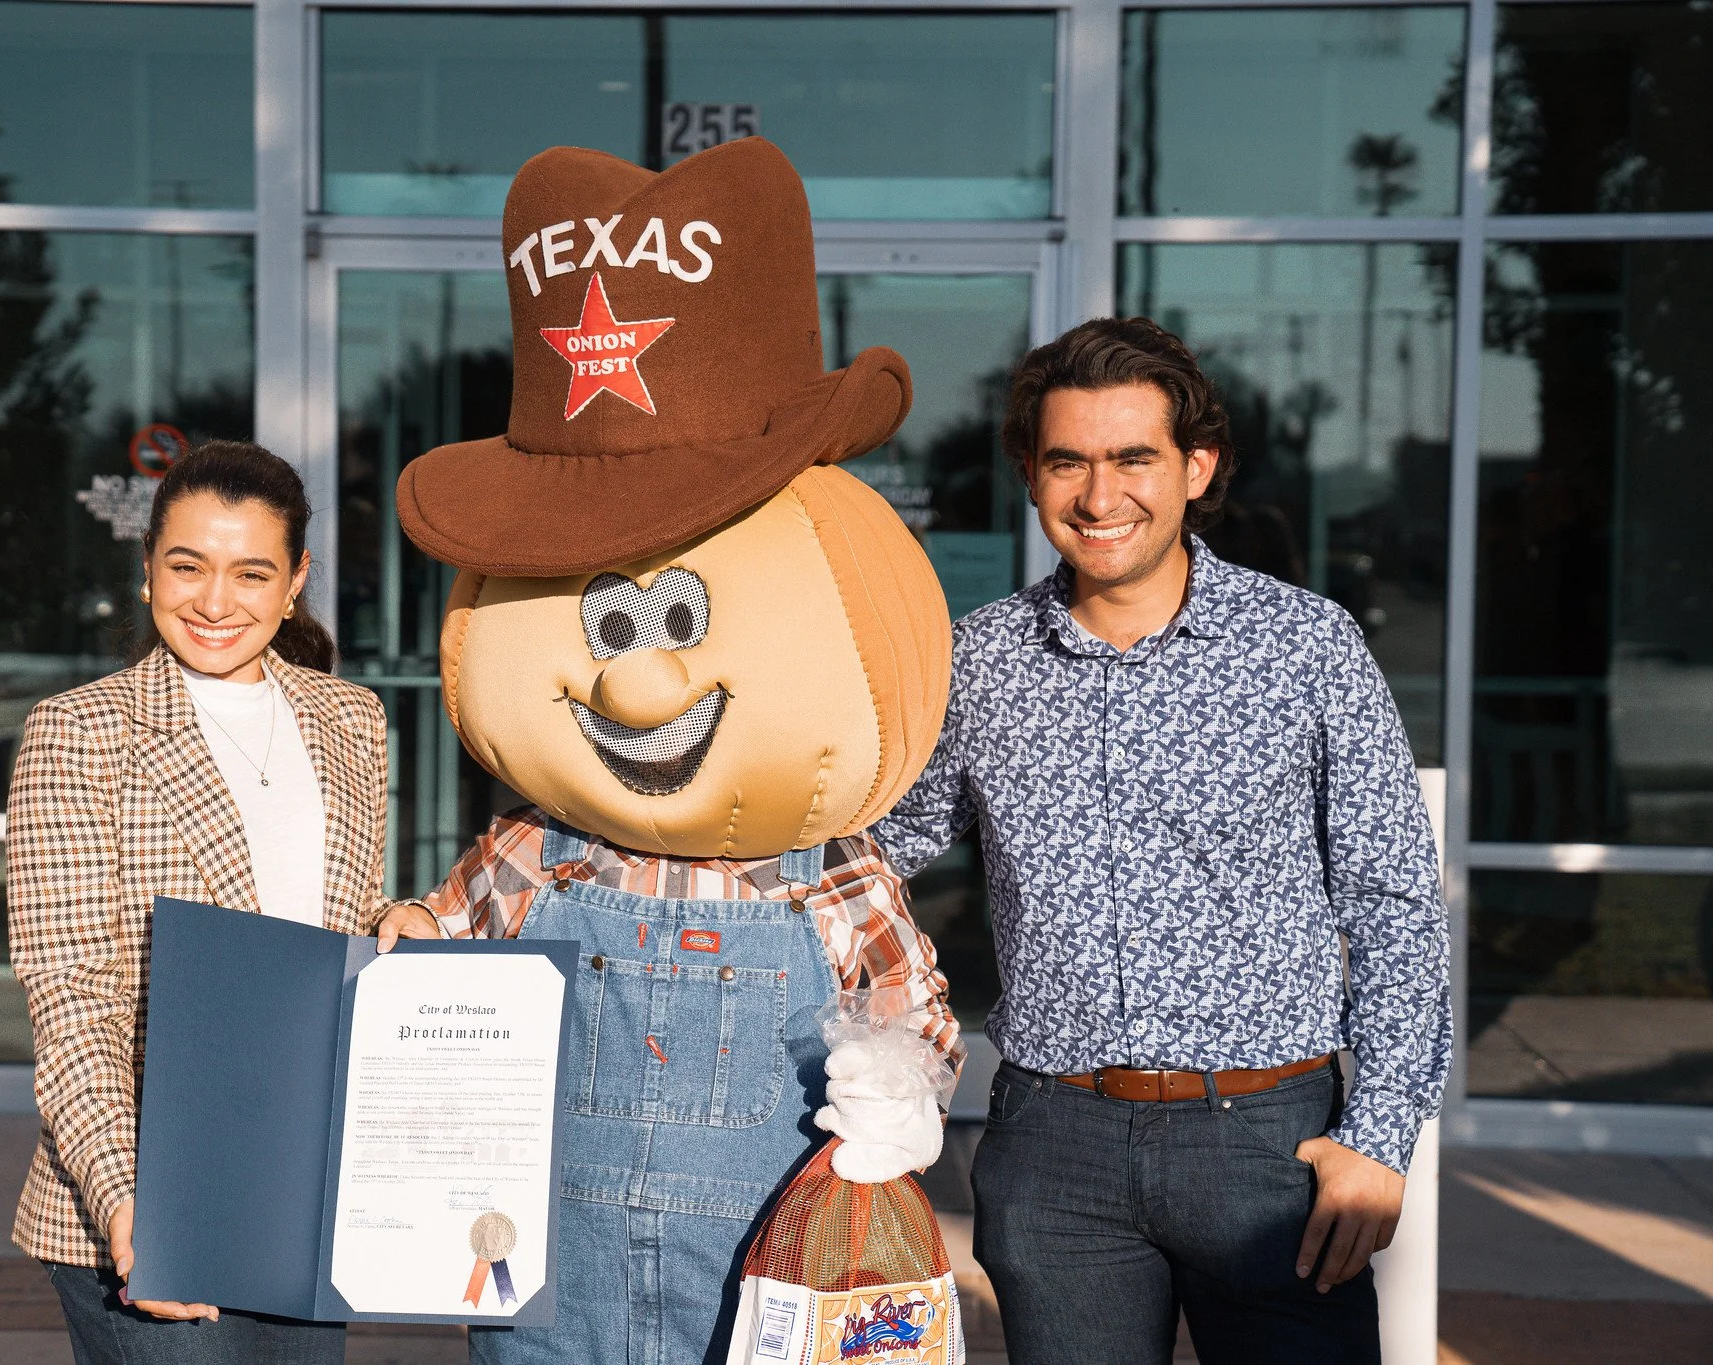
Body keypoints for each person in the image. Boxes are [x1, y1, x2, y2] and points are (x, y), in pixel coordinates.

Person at [374, 137, 963, 1364]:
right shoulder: (537, 850)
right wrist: (409, 940)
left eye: (674, 618)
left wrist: (904, 1090)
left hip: (757, 1277)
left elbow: (917, 1014)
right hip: (548, 1273)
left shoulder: (834, 874)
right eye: (608, 623)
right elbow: (439, 936)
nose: (635, 680)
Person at [872, 317, 1452, 1364]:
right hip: (1054, 1152)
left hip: (1268, 1148)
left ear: (1196, 466)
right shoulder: (977, 660)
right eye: (1068, 463)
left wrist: (1378, 1137)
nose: (1099, 499)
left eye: (1132, 458)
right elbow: (882, 847)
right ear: (1030, 473)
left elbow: (1392, 901)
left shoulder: (1305, 645)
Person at [6, 440, 396, 1365]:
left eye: (251, 572)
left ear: (295, 580)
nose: (215, 601)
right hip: (148, 1193)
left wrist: (399, 921)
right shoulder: (77, 732)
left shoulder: (353, 720)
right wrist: (129, 1201)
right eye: (188, 565)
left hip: (302, 1185)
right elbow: (72, 995)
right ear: (147, 569)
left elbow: (336, 916)